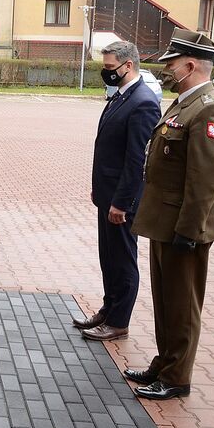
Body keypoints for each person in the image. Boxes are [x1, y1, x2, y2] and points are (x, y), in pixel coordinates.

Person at [126, 28, 214, 400]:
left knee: (183, 305)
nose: (166, 71)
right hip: (164, 221)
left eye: (171, 65)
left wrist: (187, 232)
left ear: (190, 65)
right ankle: (166, 361)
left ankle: (176, 377)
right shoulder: (184, 103)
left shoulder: (209, 111)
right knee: (165, 299)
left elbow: (204, 181)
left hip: (185, 227)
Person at [74, 41, 160, 341]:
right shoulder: (122, 96)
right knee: (108, 256)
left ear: (128, 66)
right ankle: (108, 309)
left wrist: (122, 203)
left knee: (123, 260)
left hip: (122, 202)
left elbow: (137, 159)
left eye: (110, 68)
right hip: (108, 195)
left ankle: (119, 321)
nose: (106, 73)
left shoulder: (144, 102)